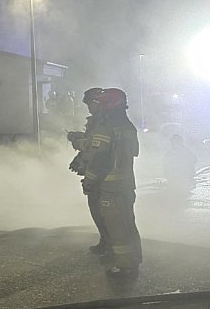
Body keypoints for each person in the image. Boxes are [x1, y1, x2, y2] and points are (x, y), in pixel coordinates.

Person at [83, 88, 142, 278]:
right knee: (128, 224)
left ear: (110, 105)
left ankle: (125, 267)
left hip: (110, 186)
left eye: (103, 103)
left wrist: (89, 181)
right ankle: (134, 260)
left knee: (117, 229)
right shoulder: (128, 126)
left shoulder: (106, 127)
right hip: (126, 185)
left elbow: (100, 160)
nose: (99, 107)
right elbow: (132, 152)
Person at [67, 87, 110, 256]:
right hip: (98, 174)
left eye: (90, 105)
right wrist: (80, 159)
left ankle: (109, 244)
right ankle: (105, 241)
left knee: (103, 212)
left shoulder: (103, 123)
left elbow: (96, 149)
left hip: (102, 176)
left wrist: (78, 141)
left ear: (98, 103)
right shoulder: (98, 122)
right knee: (98, 211)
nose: (89, 109)